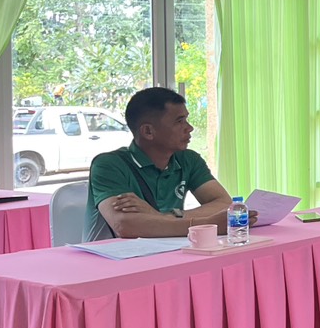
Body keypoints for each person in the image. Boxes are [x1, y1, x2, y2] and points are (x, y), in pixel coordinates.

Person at [85, 86, 239, 240]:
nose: (189, 128)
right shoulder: (108, 165)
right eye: (179, 121)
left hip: (166, 250)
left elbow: (224, 203)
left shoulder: (188, 159)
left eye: (186, 119)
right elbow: (125, 226)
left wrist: (161, 216)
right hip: (114, 254)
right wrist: (203, 224)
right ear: (148, 131)